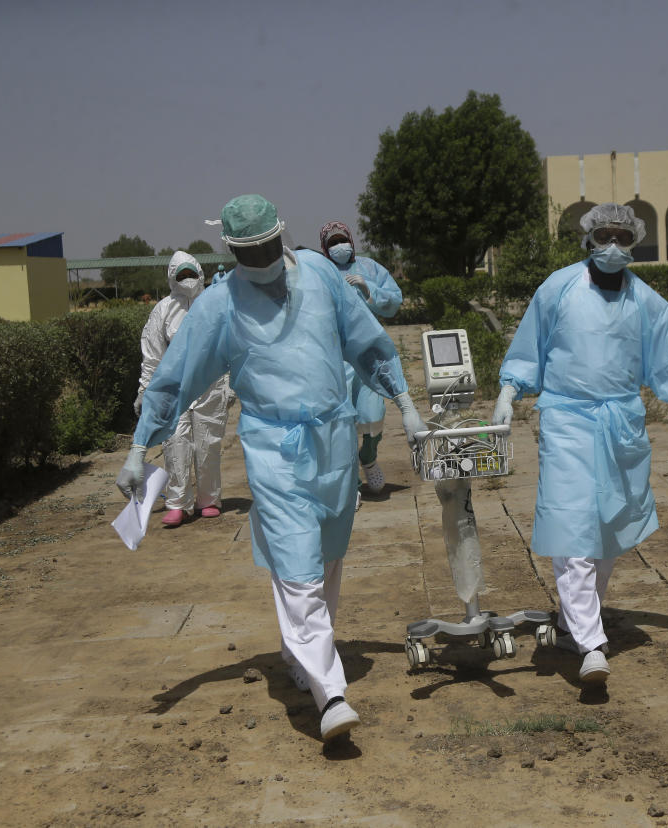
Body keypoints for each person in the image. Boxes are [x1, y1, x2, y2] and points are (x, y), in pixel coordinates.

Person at [117, 195, 425, 742]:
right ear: (231, 249)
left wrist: (405, 403)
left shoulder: (324, 279)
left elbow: (368, 341)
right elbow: (174, 375)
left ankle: (300, 655)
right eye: (247, 250)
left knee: (327, 554)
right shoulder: (218, 304)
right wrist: (140, 447)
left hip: (333, 439)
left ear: (280, 235)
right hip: (273, 447)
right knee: (297, 561)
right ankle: (330, 693)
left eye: (265, 246)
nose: (259, 257)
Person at [491, 202, 668, 685]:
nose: (612, 246)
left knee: (607, 532)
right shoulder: (559, 288)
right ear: (588, 239)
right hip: (567, 420)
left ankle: (572, 625)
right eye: (604, 236)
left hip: (621, 425)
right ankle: (592, 645)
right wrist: (509, 391)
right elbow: (530, 345)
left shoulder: (645, 302)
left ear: (635, 242)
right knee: (572, 532)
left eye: (622, 238)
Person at [135, 251, 230, 528]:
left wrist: (232, 383)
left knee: (207, 445)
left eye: (191, 274)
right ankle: (178, 503)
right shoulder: (163, 310)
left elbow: (228, 345)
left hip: (209, 387)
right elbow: (152, 354)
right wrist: (145, 390)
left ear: (200, 275)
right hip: (173, 390)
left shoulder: (213, 304)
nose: (187, 280)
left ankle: (208, 499)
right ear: (172, 278)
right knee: (175, 444)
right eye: (182, 275)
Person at [319, 221, 402, 496]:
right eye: (332, 243)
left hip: (368, 353)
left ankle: (369, 457)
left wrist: (369, 290)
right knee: (341, 420)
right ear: (324, 248)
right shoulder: (320, 272)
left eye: (342, 240)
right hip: (336, 356)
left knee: (372, 413)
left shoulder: (369, 267)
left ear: (351, 241)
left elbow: (395, 300)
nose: (338, 246)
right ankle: (351, 483)